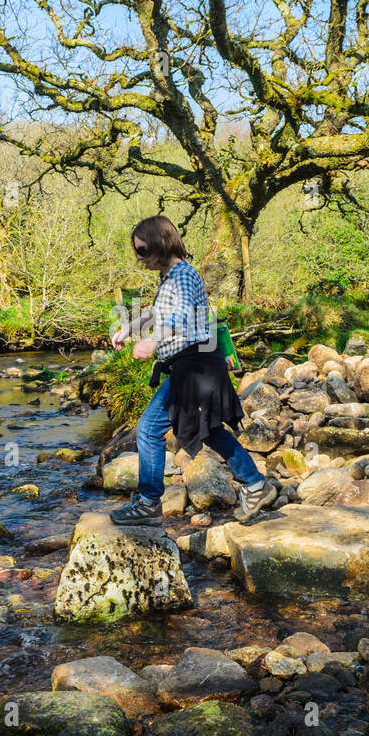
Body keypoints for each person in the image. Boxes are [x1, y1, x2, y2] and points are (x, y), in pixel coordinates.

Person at [108, 215, 278, 526]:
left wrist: (152, 342)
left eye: (143, 250)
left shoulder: (182, 276)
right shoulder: (171, 277)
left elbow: (182, 317)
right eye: (137, 251)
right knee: (210, 429)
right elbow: (158, 313)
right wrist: (130, 327)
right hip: (196, 365)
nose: (139, 258)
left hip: (195, 366)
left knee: (148, 428)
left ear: (161, 243)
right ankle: (256, 485)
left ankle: (147, 502)